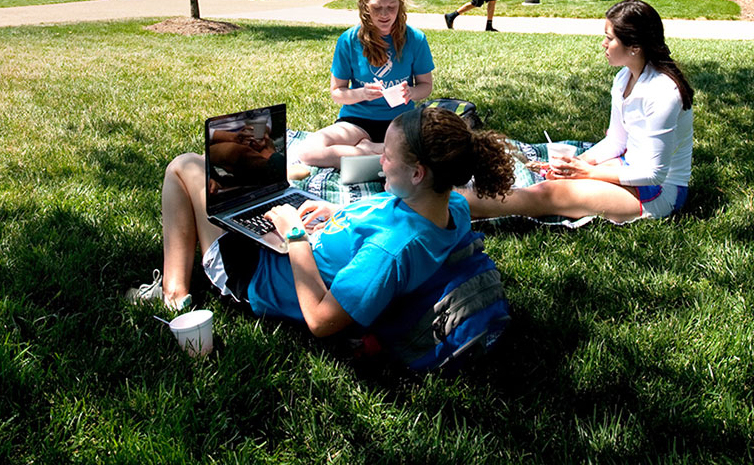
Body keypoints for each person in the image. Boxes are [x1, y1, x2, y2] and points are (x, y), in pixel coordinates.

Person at [136, 107, 514, 335]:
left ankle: (174, 295)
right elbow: (380, 221)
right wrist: (337, 215)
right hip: (301, 243)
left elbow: (320, 320)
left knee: (184, 167)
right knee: (234, 179)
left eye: (388, 156)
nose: (379, 160)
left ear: (417, 173)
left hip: (261, 277)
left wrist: (294, 233)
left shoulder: (390, 254)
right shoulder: (449, 207)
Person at [468, 0, 694, 224]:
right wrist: (576, 162)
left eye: (610, 38)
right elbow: (616, 141)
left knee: (549, 194)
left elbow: (654, 174)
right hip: (629, 166)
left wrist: (586, 172)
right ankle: (464, 200)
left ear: (635, 47)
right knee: (558, 180)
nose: (603, 44)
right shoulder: (624, 77)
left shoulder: (663, 93)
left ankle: (453, 205)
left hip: (660, 192)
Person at [297, 0, 435, 168]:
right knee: (309, 152)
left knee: (435, 152)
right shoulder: (349, 40)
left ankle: (368, 153)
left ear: (400, 6)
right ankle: (375, 152)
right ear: (364, 7)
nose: (384, 15)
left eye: (391, 8)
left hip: (400, 122)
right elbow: (337, 93)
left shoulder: (415, 39)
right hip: (357, 121)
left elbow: (426, 86)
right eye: (377, 8)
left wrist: (411, 92)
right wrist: (362, 93)